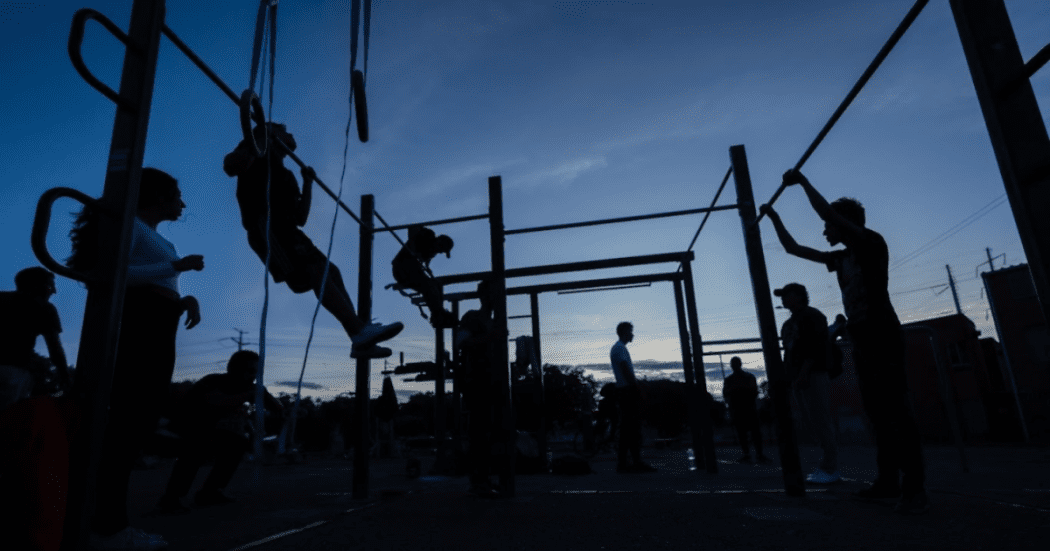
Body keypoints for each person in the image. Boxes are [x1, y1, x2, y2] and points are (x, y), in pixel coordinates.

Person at [760, 168, 928, 514]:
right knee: (877, 413)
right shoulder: (838, 259)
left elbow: (828, 214)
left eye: (830, 226)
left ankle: (915, 489)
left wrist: (803, 182)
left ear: (846, 223)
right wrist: (773, 217)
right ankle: (888, 481)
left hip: (882, 332)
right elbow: (793, 249)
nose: (825, 230)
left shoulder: (870, 243)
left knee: (896, 410)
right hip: (862, 336)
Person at [67, 167, 204, 549]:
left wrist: (182, 299)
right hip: (140, 323)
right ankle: (107, 527)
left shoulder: (153, 236)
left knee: (136, 424)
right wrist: (177, 267)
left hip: (159, 322)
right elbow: (113, 274)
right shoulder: (132, 227)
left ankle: (104, 523)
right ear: (158, 196)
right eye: (177, 196)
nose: (183, 203)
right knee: (126, 425)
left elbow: (153, 280)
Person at [224, 122, 402, 359]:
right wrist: (257, 140)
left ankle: (360, 340)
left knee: (332, 271)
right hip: (268, 230)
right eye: (284, 130)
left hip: (290, 231)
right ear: (270, 133)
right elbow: (230, 165)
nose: (291, 132)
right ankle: (359, 332)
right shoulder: (255, 151)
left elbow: (301, 217)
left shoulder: (286, 174)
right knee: (312, 272)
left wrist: (307, 183)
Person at [157, 350, 283, 513]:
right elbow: (216, 401)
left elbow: (278, 408)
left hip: (212, 431)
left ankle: (211, 491)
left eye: (256, 372)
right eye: (250, 371)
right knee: (197, 444)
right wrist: (249, 394)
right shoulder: (213, 381)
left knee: (237, 442)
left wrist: (265, 395)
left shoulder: (249, 387)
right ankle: (171, 498)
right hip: (185, 428)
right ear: (234, 368)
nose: (253, 375)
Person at [775, 282, 840, 483]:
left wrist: (803, 373)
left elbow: (815, 347)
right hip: (798, 377)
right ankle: (826, 465)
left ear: (800, 296)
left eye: (787, 294)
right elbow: (790, 351)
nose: (783, 299)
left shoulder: (812, 316)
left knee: (820, 420)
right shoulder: (789, 323)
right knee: (812, 421)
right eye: (782, 295)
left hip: (813, 374)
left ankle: (831, 468)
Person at [0, 267, 69, 411]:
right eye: (50, 286)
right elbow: (55, 349)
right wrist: (66, 379)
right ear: (37, 286)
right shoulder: (45, 308)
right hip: (12, 374)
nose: (54, 291)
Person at [456, 279, 501, 497]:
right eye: (493, 293)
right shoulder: (472, 317)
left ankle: (485, 478)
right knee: (479, 431)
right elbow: (461, 342)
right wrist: (490, 337)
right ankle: (478, 480)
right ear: (484, 296)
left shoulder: (494, 321)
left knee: (491, 430)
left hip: (492, 381)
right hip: (476, 381)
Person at [610, 322, 655, 473]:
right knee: (632, 428)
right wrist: (637, 388)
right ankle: (634, 462)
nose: (632, 334)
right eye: (630, 331)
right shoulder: (620, 349)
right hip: (627, 392)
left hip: (624, 391)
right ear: (624, 332)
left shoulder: (618, 348)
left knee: (627, 429)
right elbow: (625, 370)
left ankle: (626, 462)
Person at [392, 225, 456, 328]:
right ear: (438, 241)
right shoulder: (429, 235)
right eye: (441, 249)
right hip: (402, 268)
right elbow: (412, 227)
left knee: (437, 284)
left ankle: (438, 313)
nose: (439, 252)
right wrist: (413, 249)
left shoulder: (431, 252)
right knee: (428, 285)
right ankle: (438, 314)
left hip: (413, 271)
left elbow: (425, 259)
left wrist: (427, 267)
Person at [722, 357, 770, 464]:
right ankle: (753, 454)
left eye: (735, 364)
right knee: (746, 433)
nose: (734, 366)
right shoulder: (747, 377)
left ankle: (752, 454)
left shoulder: (732, 379)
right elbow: (726, 394)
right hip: (744, 409)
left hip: (744, 409)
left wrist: (735, 393)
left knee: (750, 433)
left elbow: (727, 394)